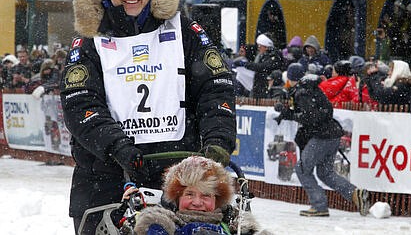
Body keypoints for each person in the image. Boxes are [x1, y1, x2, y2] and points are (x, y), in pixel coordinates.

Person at [60, 0, 237, 234]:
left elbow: (215, 88)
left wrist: (218, 139)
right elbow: (80, 104)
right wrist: (118, 147)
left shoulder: (185, 31)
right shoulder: (89, 42)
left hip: (178, 174)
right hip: (106, 175)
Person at [274, 63, 369, 217]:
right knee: (325, 173)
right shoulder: (313, 89)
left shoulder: (302, 92)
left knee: (302, 168)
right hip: (332, 134)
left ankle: (319, 206)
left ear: (292, 79)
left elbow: (310, 117)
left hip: (321, 136)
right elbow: (323, 111)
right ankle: (354, 194)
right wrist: (288, 112)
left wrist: (289, 114)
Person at [132, 156, 269, 235]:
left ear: (218, 200)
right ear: (177, 197)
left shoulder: (237, 227)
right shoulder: (160, 224)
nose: (197, 202)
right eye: (190, 194)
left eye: (206, 196)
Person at [234, 33, 283, 99]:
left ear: (266, 46)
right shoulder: (261, 56)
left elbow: (262, 67)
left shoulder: (274, 57)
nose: (258, 48)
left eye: (260, 46)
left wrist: (245, 64)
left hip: (267, 87)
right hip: (258, 86)